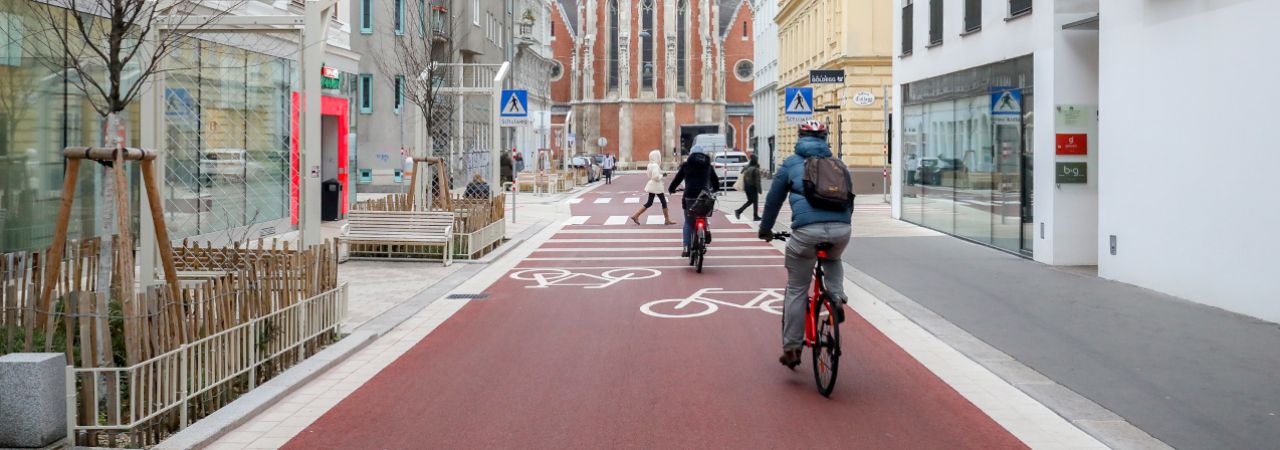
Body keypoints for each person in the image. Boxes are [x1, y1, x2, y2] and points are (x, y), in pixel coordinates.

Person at [757, 120, 852, 369]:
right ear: (825, 138)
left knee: (797, 289)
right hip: (842, 229)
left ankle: (792, 349)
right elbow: (850, 199)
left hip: (806, 232)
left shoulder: (790, 164)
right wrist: (839, 225)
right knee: (833, 257)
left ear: (799, 137)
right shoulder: (838, 164)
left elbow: (773, 200)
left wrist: (765, 229)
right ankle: (836, 298)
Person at [668, 147, 720, 257]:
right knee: (703, 213)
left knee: (688, 222)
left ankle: (686, 248)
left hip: (689, 196)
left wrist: (671, 189)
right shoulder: (708, 165)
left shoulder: (686, 165)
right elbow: (715, 182)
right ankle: (706, 231)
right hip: (704, 195)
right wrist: (714, 189)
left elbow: (677, 179)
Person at [630, 150, 677, 226]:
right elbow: (656, 177)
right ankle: (667, 220)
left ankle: (636, 215)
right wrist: (663, 175)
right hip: (656, 185)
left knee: (650, 202)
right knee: (663, 202)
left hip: (652, 184)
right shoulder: (655, 165)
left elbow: (650, 175)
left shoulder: (650, 165)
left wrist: (661, 174)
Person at [735, 154, 763, 221]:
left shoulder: (746, 167)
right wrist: (760, 190)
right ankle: (755, 216)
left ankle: (739, 211)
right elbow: (757, 181)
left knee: (750, 201)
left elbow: (741, 173)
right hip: (753, 187)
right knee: (755, 201)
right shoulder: (756, 169)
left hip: (747, 187)